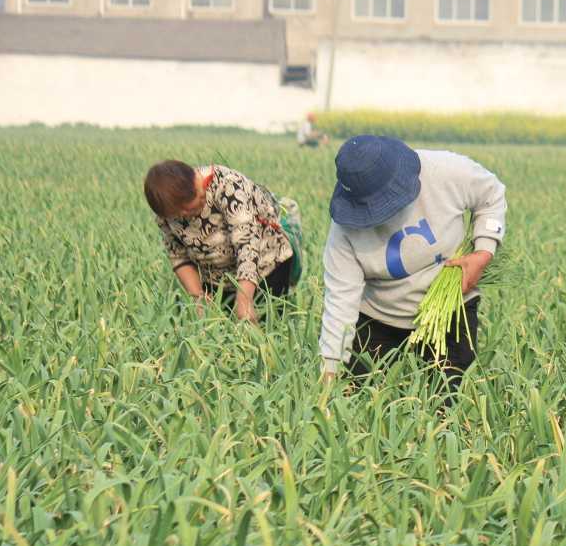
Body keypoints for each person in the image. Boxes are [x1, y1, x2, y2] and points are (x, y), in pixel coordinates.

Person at [318, 135, 506, 391]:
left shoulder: (444, 171)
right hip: (380, 317)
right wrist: (330, 369)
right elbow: (340, 301)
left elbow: (491, 195)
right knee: (359, 395)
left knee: (448, 399)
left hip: (450, 307)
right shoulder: (344, 230)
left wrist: (483, 252)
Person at [145, 160, 303, 322]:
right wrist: (198, 298)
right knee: (219, 328)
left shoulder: (229, 186)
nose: (185, 217)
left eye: (191, 208)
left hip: (266, 265)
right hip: (216, 279)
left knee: (265, 324)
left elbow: (247, 245)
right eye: (178, 215)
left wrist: (244, 300)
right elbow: (178, 255)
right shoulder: (166, 212)